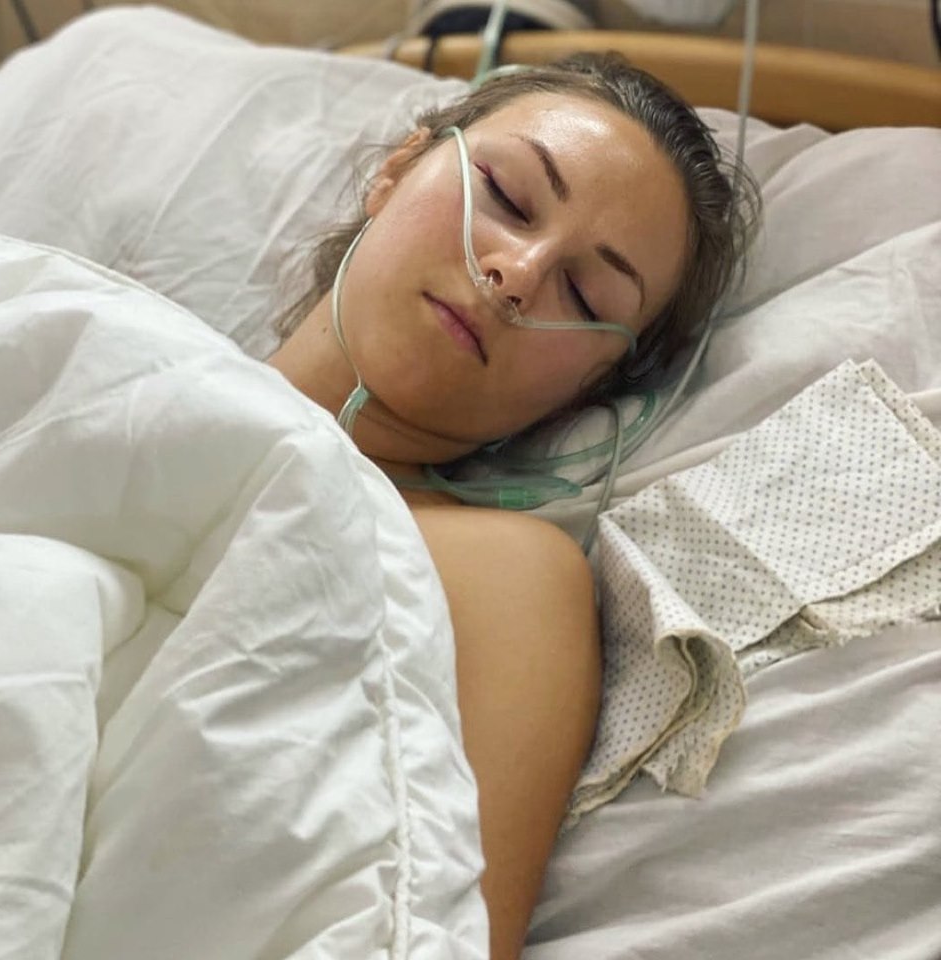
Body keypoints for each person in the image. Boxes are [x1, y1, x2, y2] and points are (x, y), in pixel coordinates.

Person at [269, 51, 758, 960]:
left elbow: (437, 936)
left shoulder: (504, 581)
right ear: (397, 169)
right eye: (507, 195)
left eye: (585, 292)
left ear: (587, 389)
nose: (519, 274)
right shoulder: (88, 338)